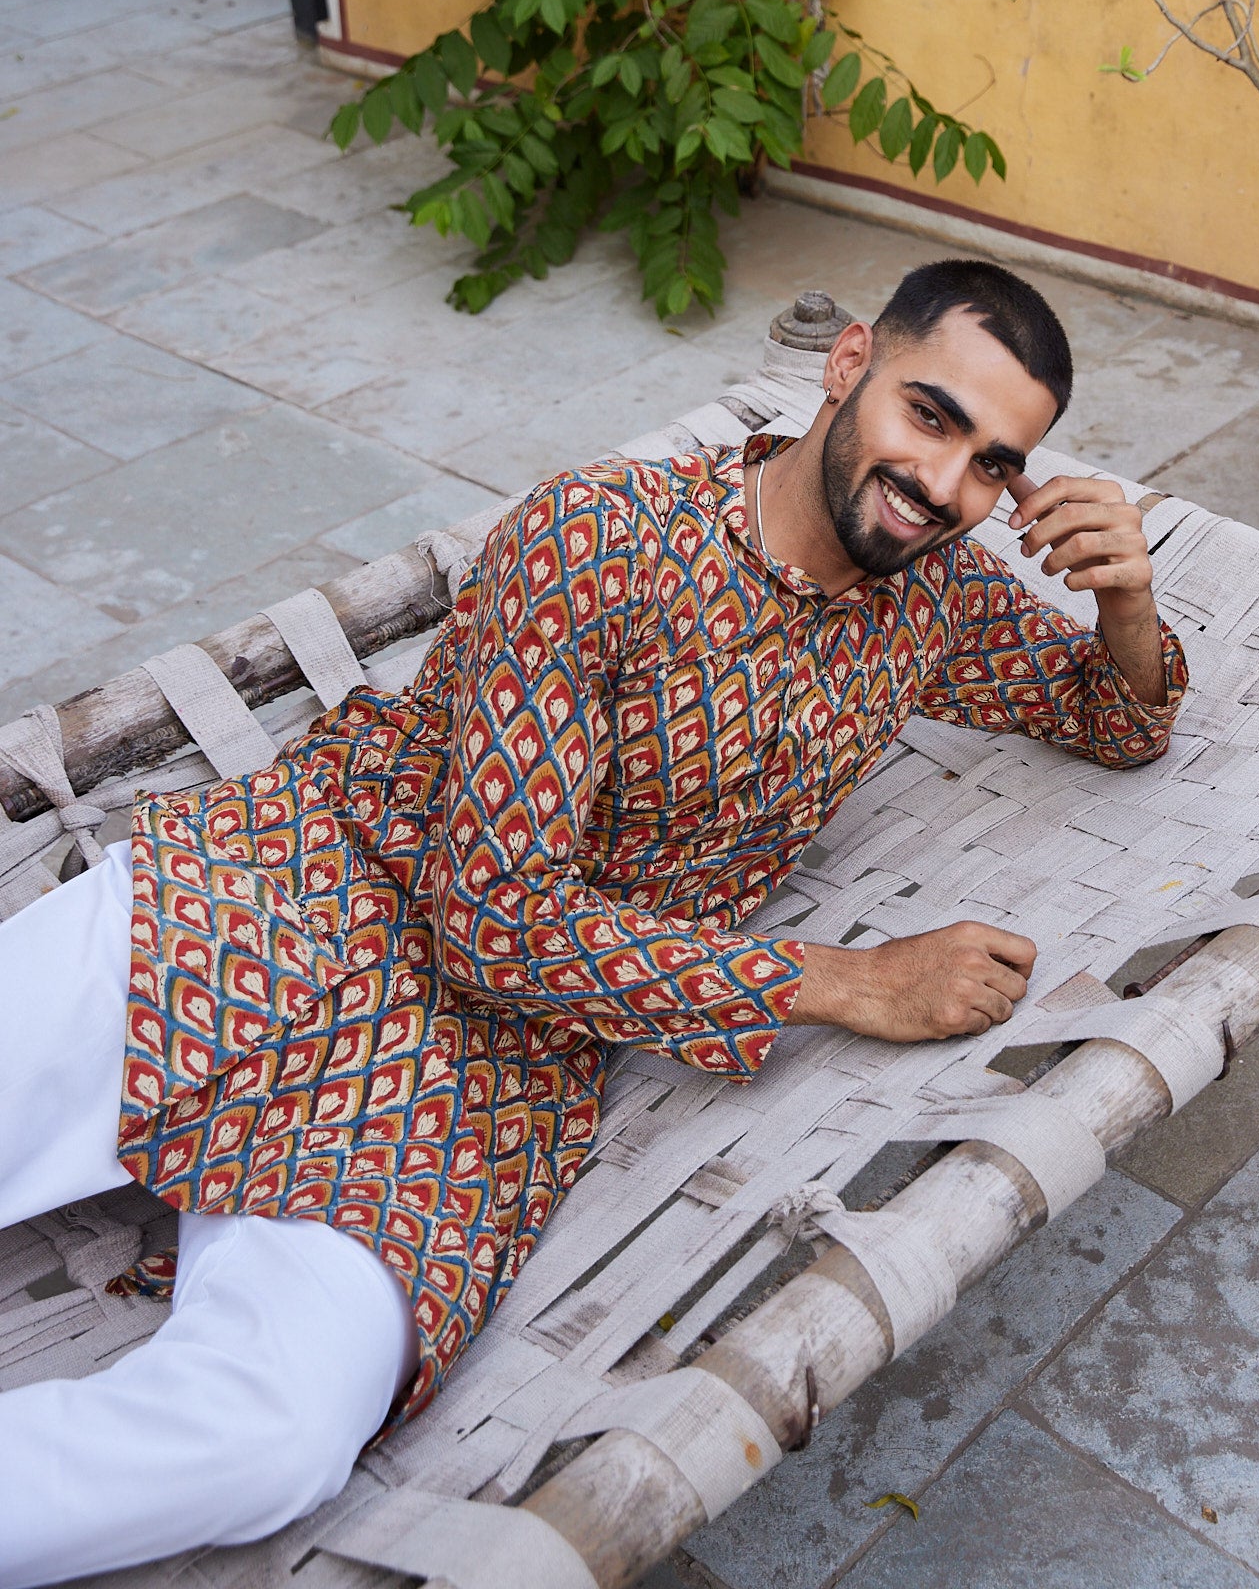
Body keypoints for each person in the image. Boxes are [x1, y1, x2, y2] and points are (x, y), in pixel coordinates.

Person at [0, 259, 1186, 1583]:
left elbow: (1117, 719)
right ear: (847, 363)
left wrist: (1126, 597)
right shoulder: (600, 535)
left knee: (266, 1436)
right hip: (295, 890)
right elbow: (493, 918)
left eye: (993, 463)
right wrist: (842, 983)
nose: (947, 482)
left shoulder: (932, 599)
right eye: (932, 415)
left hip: (467, 1085)